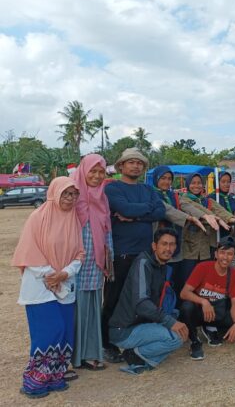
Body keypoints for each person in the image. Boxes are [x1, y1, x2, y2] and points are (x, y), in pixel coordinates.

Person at [12, 177, 84, 398]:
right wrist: (50, 275)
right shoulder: (38, 218)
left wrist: (65, 273)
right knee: (49, 330)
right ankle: (34, 382)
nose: (70, 199)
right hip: (39, 285)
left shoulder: (74, 220)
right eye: (66, 194)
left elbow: (80, 253)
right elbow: (29, 252)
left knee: (64, 331)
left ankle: (56, 376)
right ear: (54, 193)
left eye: (74, 194)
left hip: (64, 283)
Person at [102, 148, 166, 363]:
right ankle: (107, 342)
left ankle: (134, 338)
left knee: (142, 298)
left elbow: (160, 211)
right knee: (114, 297)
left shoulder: (148, 189)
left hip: (145, 253)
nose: (136, 166)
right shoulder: (113, 188)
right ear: (121, 166)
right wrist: (139, 211)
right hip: (121, 253)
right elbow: (124, 209)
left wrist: (135, 215)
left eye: (139, 163)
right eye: (131, 162)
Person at [108, 228, 187, 375]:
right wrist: (169, 322)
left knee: (177, 330)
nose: (168, 248)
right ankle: (134, 354)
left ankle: (141, 359)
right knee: (176, 338)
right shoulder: (143, 263)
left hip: (142, 324)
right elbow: (141, 303)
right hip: (124, 329)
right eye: (164, 244)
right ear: (154, 246)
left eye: (172, 245)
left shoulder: (162, 266)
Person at [71, 154, 113, 372]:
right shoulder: (71, 195)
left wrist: (109, 257)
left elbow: (107, 231)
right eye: (93, 171)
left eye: (101, 172)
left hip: (95, 265)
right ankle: (71, 356)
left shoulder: (102, 198)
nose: (97, 176)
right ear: (83, 171)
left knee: (92, 308)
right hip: (72, 265)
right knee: (73, 309)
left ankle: (88, 354)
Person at [180, 238, 235, 360]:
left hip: (218, 312)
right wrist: (203, 301)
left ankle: (212, 329)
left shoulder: (234, 274)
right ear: (216, 254)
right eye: (222, 253)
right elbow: (184, 293)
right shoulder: (203, 267)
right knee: (186, 307)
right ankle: (195, 341)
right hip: (201, 312)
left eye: (229, 254)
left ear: (233, 256)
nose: (225, 257)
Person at [152, 166, 219, 297]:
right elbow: (168, 211)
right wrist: (190, 218)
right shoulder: (151, 194)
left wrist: (207, 216)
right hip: (160, 245)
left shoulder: (175, 196)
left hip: (177, 247)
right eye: (163, 178)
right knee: (159, 284)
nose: (166, 182)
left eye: (169, 179)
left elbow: (187, 206)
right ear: (156, 179)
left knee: (177, 283)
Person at [180, 172, 234, 282]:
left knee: (204, 279)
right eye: (193, 183)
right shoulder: (183, 199)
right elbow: (194, 208)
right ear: (187, 184)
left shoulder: (207, 200)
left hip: (207, 247)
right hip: (190, 248)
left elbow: (221, 211)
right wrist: (211, 217)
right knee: (188, 278)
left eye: (199, 183)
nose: (196, 186)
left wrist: (234, 219)